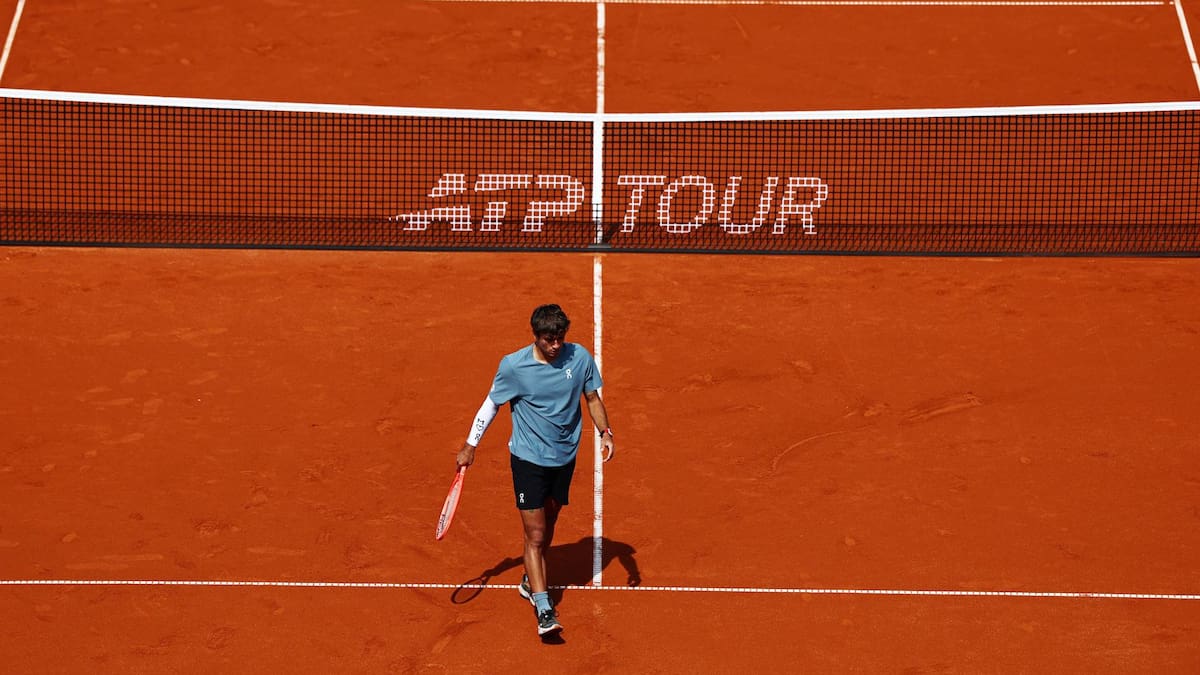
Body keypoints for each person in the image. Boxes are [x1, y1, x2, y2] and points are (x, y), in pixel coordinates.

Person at [455, 304, 615, 637]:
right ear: (536, 337)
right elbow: (492, 403)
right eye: (548, 340)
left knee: (551, 518)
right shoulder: (514, 366)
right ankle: (543, 607)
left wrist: (605, 432)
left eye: (560, 338)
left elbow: (592, 398)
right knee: (536, 535)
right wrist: (471, 444)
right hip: (528, 459)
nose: (556, 346)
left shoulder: (579, 357)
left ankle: (531, 578)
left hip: (564, 456)